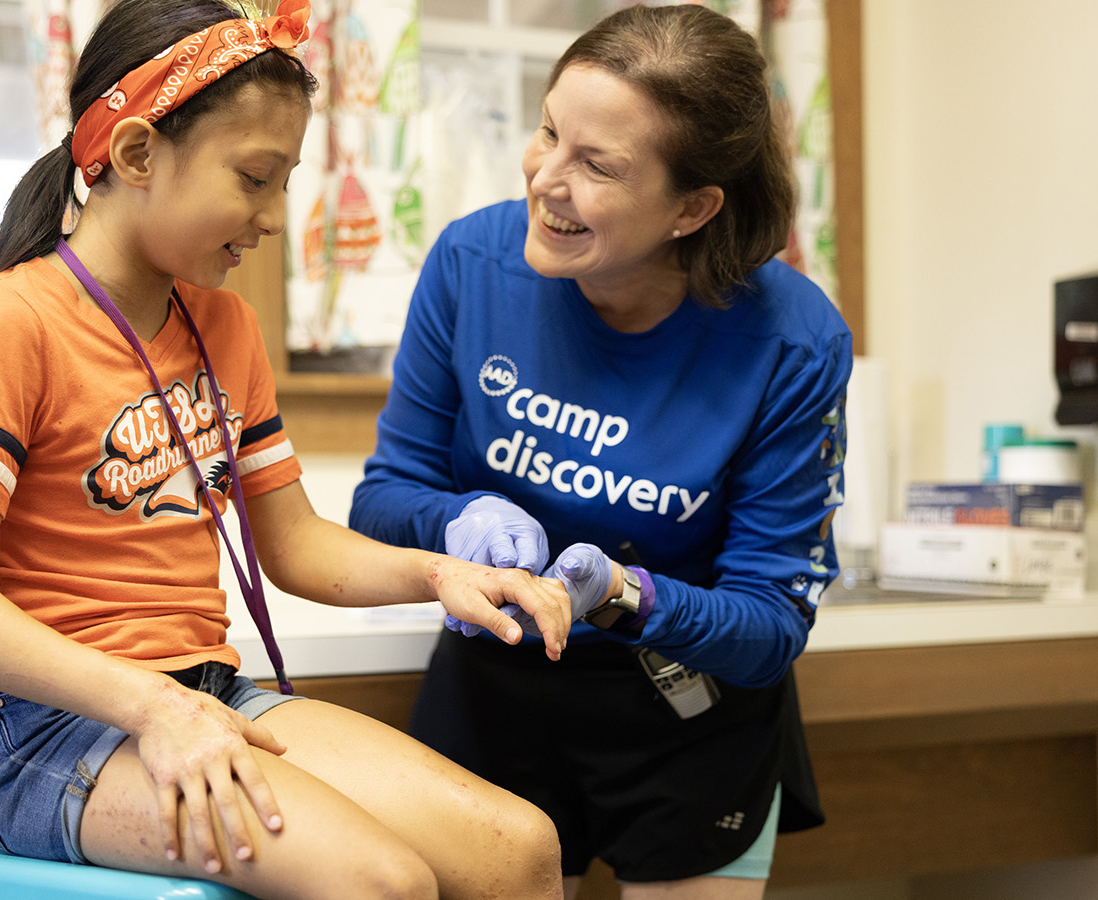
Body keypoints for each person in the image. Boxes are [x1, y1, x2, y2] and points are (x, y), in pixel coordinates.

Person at [0, 2, 576, 898]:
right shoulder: (13, 322)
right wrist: (152, 705)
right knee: (383, 883)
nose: (276, 216)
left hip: (207, 692)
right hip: (47, 729)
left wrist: (437, 573)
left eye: (287, 181)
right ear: (137, 154)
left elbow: (293, 546)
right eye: (256, 178)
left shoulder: (224, 325)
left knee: (520, 848)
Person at [348, 5, 850, 899]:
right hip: (494, 688)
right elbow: (385, 495)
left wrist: (628, 596)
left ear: (692, 207)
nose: (546, 177)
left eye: (597, 165)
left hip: (686, 709)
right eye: (548, 132)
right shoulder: (472, 262)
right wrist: (460, 518)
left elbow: (772, 625)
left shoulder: (791, 340)